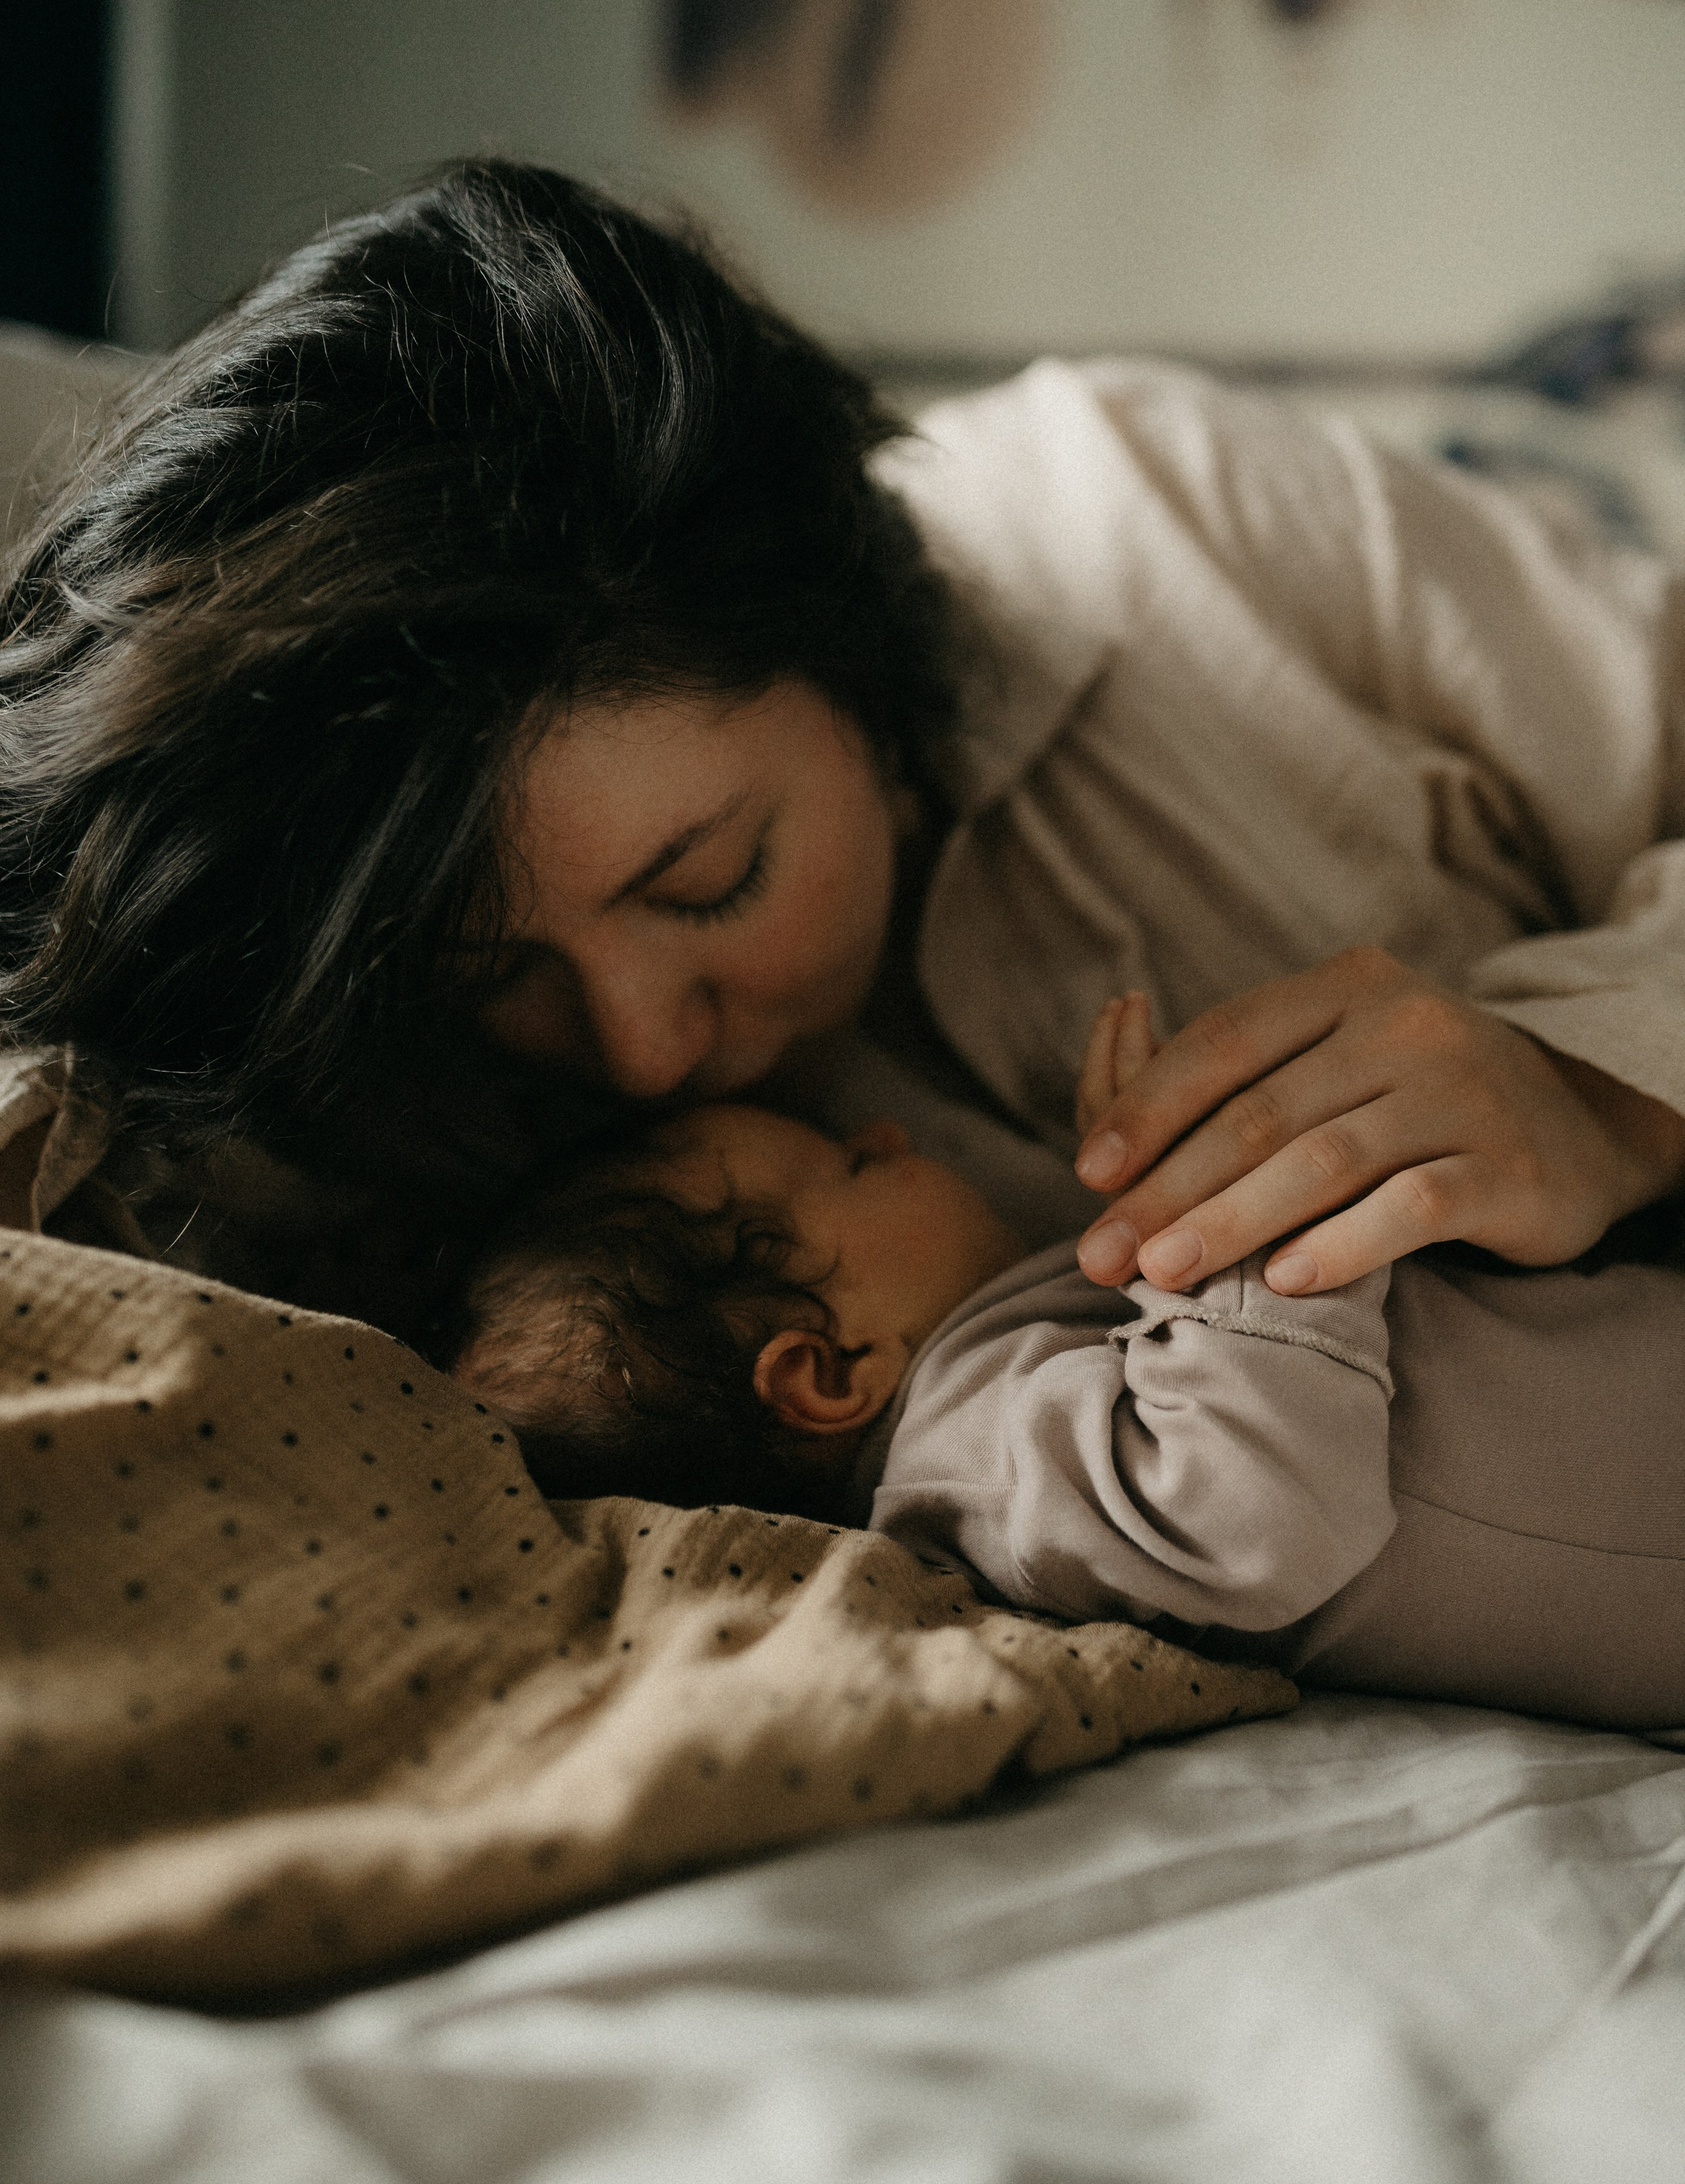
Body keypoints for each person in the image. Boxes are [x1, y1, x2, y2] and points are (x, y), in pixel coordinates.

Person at [2, 157, 1684, 1355]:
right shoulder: (368, 1038)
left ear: (864, 655)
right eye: (491, 968)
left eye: (712, 878)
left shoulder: (1158, 510)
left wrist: (1602, 1087)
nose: (645, 1055)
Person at [449, 995, 1685, 1735]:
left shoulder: (1014, 1347)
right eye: (851, 1168)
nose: (884, 1131)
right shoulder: (974, 1464)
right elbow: (1251, 1516)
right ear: (831, 1372)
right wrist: (1227, 1216)